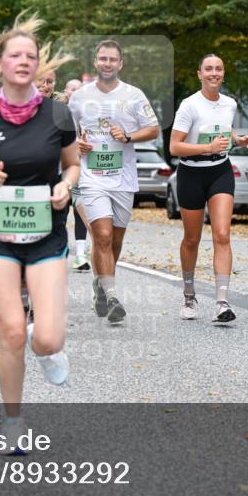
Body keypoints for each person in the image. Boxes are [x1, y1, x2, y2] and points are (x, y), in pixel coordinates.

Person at [0, 12, 79, 451]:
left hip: (46, 236)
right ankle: (12, 421)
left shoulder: (59, 114)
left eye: (31, 55)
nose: (23, 61)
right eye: (15, 55)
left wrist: (66, 186)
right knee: (9, 332)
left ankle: (43, 344)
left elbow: (73, 164)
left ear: (38, 65)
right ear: (0, 63)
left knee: (47, 337)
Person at [70, 40, 160, 324]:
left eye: (112, 59)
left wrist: (129, 136)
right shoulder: (79, 97)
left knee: (115, 241)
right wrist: (76, 145)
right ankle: (112, 296)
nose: (107, 63)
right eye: (102, 59)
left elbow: (154, 129)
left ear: (120, 64)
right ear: (95, 62)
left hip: (123, 180)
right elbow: (64, 135)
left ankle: (100, 284)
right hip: (90, 178)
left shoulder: (134, 95)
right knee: (103, 236)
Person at [170, 54, 248, 323]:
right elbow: (174, 147)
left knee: (222, 233)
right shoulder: (189, 106)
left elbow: (224, 133)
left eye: (218, 68)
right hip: (191, 174)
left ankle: (222, 301)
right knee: (192, 239)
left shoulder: (229, 103)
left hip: (220, 171)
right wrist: (207, 148)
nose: (214, 73)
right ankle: (188, 293)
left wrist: (238, 140)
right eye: (208, 69)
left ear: (223, 73)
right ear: (199, 74)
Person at [55, 78, 89, 271]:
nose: (75, 91)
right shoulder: (56, 112)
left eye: (78, 89)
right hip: (57, 169)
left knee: (80, 210)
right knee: (59, 211)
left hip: (78, 168)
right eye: (71, 88)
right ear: (65, 91)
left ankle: (81, 255)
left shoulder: (86, 113)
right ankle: (58, 251)